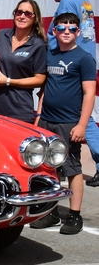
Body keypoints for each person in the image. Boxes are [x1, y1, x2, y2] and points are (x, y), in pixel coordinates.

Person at [30, 13, 96, 234]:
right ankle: (50, 212)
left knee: (71, 168)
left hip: (69, 123)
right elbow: (44, 89)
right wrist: (39, 116)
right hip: (47, 121)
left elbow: (89, 94)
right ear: (54, 31)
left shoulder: (84, 58)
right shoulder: (49, 54)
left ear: (78, 32)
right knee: (48, 168)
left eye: (72, 28)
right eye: (61, 28)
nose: (66, 31)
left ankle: (74, 216)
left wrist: (82, 125)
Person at [38, 0, 99, 187]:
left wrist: (49, 59)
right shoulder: (83, 1)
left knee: (83, 117)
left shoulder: (67, 2)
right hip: (85, 62)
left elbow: (57, 37)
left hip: (68, 66)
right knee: (84, 115)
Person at [0, 0, 47, 124]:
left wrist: (8, 81)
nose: (22, 16)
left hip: (18, 111)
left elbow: (40, 80)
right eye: (19, 12)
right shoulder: (2, 35)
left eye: (27, 14)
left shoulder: (38, 44)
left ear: (35, 18)